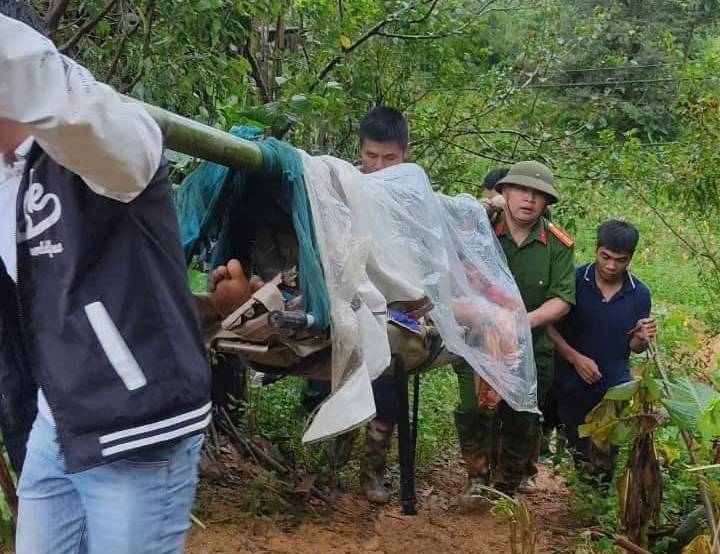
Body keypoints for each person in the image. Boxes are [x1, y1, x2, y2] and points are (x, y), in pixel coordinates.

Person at [0, 4, 211, 553]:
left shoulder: (117, 138)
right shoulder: (4, 178)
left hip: (136, 425)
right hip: (57, 423)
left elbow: (64, 103)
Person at [454, 160, 575, 506]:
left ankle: (505, 487)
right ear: (504, 192)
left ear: (547, 203)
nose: (529, 200)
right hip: (477, 342)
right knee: (473, 410)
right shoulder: (479, 229)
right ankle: (477, 480)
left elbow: (562, 299)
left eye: (539, 195)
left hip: (530, 346)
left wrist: (522, 321)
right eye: (521, 190)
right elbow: (441, 217)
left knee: (523, 417)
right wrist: (480, 206)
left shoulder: (557, 245)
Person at [549, 220, 655, 480]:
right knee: (577, 447)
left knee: (605, 455)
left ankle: (594, 506)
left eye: (620, 260)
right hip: (571, 382)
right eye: (605, 257)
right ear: (596, 248)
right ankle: (580, 497)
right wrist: (575, 359)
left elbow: (634, 347)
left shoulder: (639, 294)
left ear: (631, 258)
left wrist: (643, 337)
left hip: (613, 387)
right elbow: (549, 327)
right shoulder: (573, 281)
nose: (611, 266)